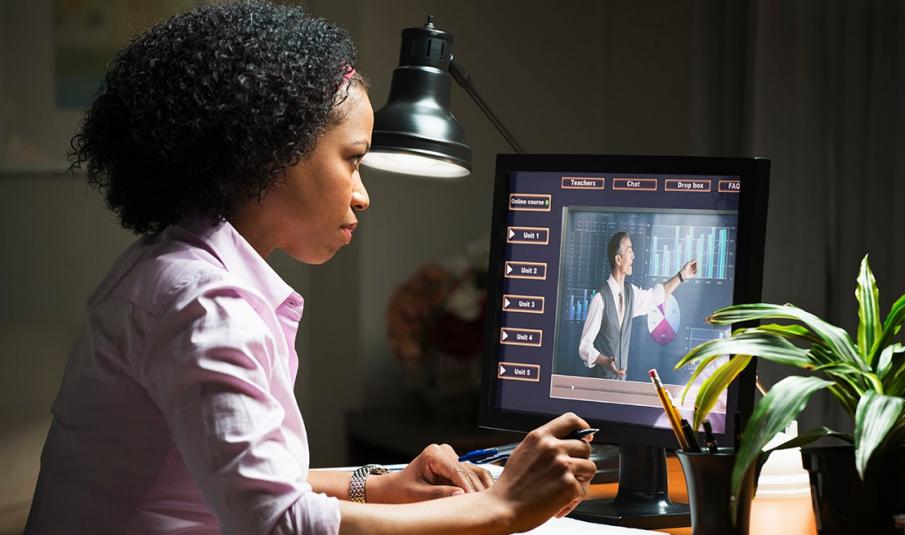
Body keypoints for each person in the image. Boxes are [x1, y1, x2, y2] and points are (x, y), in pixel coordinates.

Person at [25, 3, 595, 534]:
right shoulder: (204, 303)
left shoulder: (171, 266)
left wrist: (380, 485)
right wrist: (501, 507)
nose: (363, 195)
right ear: (271, 151)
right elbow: (278, 522)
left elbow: (235, 479)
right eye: (353, 159)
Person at [578, 231, 698, 380]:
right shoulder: (600, 299)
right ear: (618, 259)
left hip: (620, 385)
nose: (633, 256)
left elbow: (656, 296)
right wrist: (605, 361)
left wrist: (681, 276)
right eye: (629, 251)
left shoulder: (631, 294)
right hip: (600, 384)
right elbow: (584, 347)